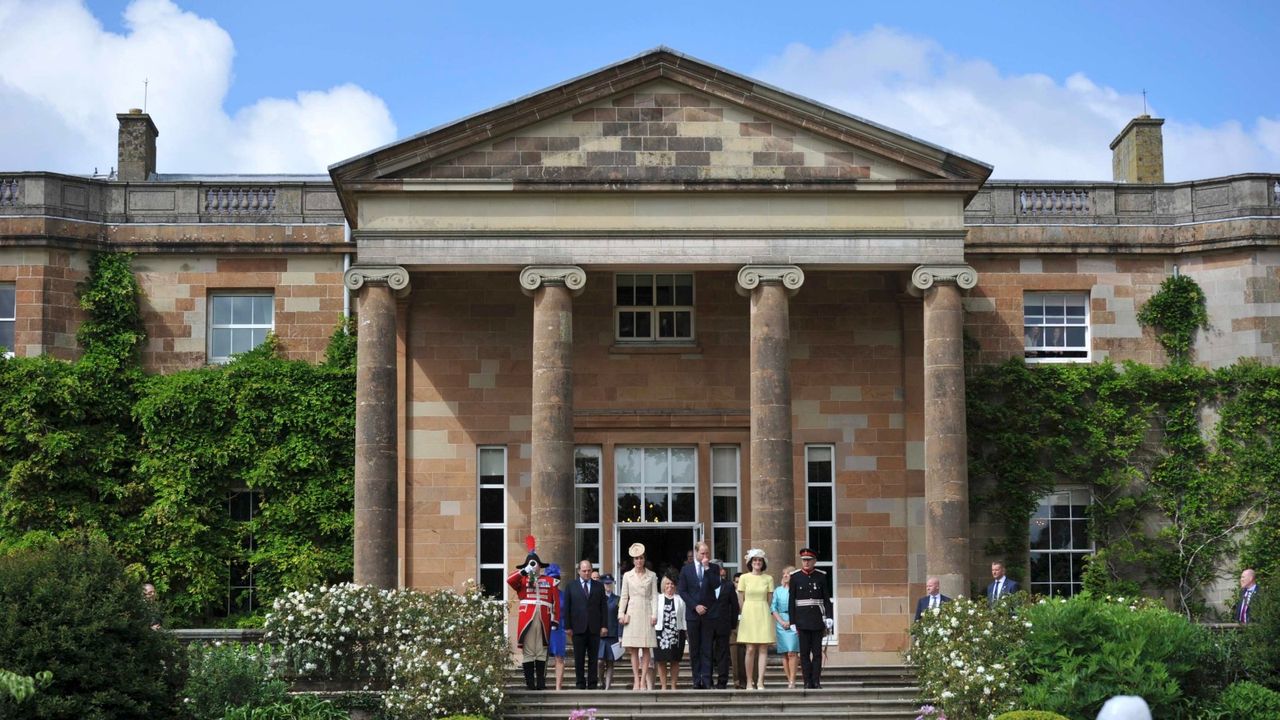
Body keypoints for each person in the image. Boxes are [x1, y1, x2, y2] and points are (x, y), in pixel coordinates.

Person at [507, 537, 560, 690]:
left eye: (535, 564)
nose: (534, 567)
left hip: (543, 618)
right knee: (529, 652)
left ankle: (541, 683)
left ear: (540, 566)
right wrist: (524, 571)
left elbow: (555, 601)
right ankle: (530, 683)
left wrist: (555, 619)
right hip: (527, 619)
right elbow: (509, 580)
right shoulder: (522, 580)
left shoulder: (550, 581)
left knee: (542, 651)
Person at [676, 539, 720, 689]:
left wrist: (707, 568)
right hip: (693, 615)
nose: (705, 556)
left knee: (707, 648)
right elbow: (682, 590)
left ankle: (707, 680)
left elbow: (716, 585)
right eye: (702, 553)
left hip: (709, 614)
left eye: (707, 553)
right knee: (694, 649)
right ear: (696, 553)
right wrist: (695, 606)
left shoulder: (713, 568)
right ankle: (696, 680)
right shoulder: (686, 570)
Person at [789, 547, 833, 689]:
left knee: (817, 653)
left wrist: (829, 617)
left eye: (809, 560)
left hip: (817, 619)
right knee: (804, 653)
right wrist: (792, 621)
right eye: (804, 560)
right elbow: (792, 601)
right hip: (802, 620)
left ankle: (816, 680)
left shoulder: (821, 576)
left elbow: (826, 599)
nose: (806, 563)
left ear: (814, 561)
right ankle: (807, 681)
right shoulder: (795, 577)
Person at [618, 542, 658, 690]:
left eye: (641, 558)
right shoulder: (627, 576)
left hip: (646, 610)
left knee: (646, 647)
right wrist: (621, 613)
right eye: (636, 558)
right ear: (633, 561)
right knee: (633, 648)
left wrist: (655, 614)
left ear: (644, 559)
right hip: (633, 611)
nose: (639, 561)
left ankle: (643, 681)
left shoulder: (652, 575)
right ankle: (636, 679)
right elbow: (624, 596)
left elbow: (654, 596)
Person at [563, 558, 608, 689]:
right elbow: (567, 608)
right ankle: (580, 683)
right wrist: (567, 626)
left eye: (589, 570)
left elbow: (603, 607)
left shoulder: (598, 586)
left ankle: (592, 683)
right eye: (584, 571)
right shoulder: (571, 586)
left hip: (594, 628)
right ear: (578, 571)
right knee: (579, 658)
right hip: (577, 628)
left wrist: (604, 625)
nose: (587, 573)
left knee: (594, 658)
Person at [737, 548, 776, 690]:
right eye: (755, 560)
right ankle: (748, 681)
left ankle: (760, 681)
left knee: (763, 648)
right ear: (750, 562)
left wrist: (763, 609)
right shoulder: (744, 578)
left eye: (759, 560)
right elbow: (741, 599)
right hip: (749, 612)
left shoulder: (768, 578)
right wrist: (745, 612)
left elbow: (769, 599)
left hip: (763, 611)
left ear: (763, 563)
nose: (757, 563)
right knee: (750, 648)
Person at [709, 564, 740, 689]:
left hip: (723, 625)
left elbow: (734, 606)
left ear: (722, 571)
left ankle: (722, 681)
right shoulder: (705, 584)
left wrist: (732, 624)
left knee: (723, 654)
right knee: (708, 653)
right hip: (708, 625)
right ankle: (708, 680)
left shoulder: (728, 585)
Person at [654, 574, 687, 690]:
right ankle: (663, 686)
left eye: (672, 584)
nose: (670, 586)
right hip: (660, 634)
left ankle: (673, 686)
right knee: (661, 661)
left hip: (676, 633)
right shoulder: (658, 599)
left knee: (675, 660)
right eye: (667, 583)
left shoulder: (681, 599)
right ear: (663, 585)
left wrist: (685, 631)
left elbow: (683, 617)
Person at [770, 564, 800, 688]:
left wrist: (792, 621)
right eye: (784, 574)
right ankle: (789, 680)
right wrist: (781, 621)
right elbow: (773, 607)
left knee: (792, 652)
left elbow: (799, 607)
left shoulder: (797, 589)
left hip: (794, 622)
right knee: (784, 653)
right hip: (781, 622)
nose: (785, 575)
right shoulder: (778, 590)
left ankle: (793, 679)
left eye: (788, 573)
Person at [545, 563, 568, 690]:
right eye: (552, 578)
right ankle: (541, 683)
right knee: (542, 656)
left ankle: (558, 686)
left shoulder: (563, 595)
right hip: (544, 627)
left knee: (559, 656)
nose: (555, 581)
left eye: (556, 578)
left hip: (559, 628)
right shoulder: (542, 594)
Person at [598, 574, 622, 690]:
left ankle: (607, 687)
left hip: (612, 634)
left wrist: (620, 635)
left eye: (610, 583)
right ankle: (601, 681)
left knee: (610, 662)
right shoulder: (598, 598)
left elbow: (620, 618)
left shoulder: (617, 599)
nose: (608, 585)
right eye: (606, 583)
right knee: (600, 661)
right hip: (600, 635)